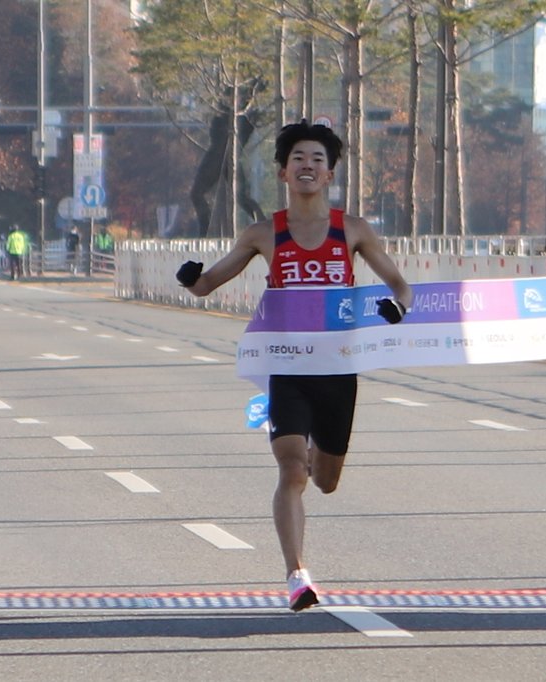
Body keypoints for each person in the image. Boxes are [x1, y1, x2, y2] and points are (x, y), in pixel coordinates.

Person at [176, 120, 413, 612]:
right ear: (284, 172)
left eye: (318, 160)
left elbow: (400, 286)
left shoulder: (353, 230)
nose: (308, 166)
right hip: (285, 367)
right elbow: (208, 284)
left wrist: (396, 307)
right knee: (291, 472)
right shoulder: (264, 233)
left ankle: (312, 448)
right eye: (298, 159)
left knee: (325, 479)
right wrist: (191, 277)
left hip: (337, 370)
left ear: (329, 175)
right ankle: (297, 575)